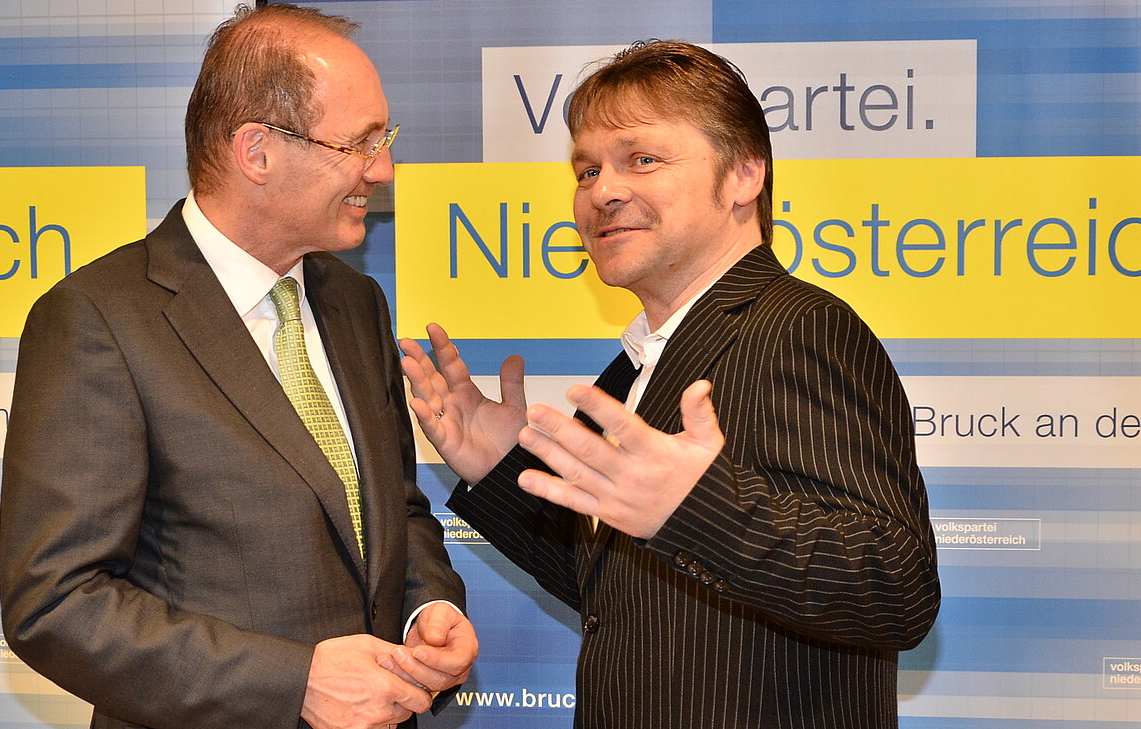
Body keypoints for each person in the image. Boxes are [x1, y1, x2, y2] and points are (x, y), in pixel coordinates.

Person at [400, 40, 939, 728]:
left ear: (744, 174)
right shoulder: (640, 363)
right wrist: (503, 467)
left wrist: (697, 508)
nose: (602, 191)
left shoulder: (798, 328)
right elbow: (624, 599)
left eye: (642, 159)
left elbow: (897, 588)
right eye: (587, 169)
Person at [0, 5, 475, 729]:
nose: (382, 169)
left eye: (385, 139)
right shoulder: (100, 320)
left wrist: (427, 608)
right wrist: (294, 683)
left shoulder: (356, 302)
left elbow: (392, 509)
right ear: (257, 151)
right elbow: (56, 602)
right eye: (359, 143)